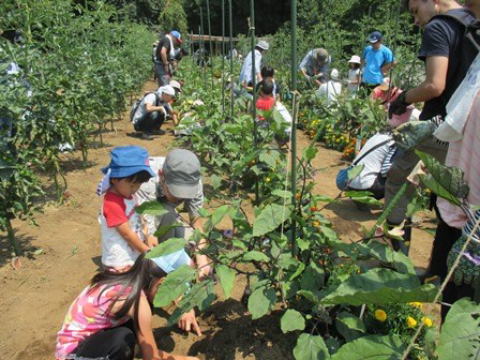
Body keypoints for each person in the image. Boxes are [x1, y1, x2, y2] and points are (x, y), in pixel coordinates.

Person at [384, 0, 477, 251]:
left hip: (440, 127)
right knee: (453, 200)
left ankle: (396, 258)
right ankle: (440, 271)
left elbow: (434, 85)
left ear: (433, 1)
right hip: (467, 132)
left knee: (398, 181)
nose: (416, 21)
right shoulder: (472, 22)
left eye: (415, 11)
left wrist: (402, 99)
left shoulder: (438, 27)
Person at [55, 254, 200, 360]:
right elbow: (152, 358)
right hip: (72, 354)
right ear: (162, 283)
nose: (170, 297)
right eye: (172, 290)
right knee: (122, 338)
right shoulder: (138, 302)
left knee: (129, 330)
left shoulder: (126, 274)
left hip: (79, 343)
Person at [135, 149, 211, 281]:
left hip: (164, 208)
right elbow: (149, 235)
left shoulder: (193, 181)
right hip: (135, 216)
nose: (179, 198)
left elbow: (197, 224)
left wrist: (202, 260)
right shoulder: (145, 180)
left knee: (190, 245)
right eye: (175, 191)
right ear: (161, 175)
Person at [96, 146, 156, 274]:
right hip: (120, 262)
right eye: (131, 184)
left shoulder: (129, 195)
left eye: (138, 184)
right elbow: (127, 234)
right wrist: (147, 252)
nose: (134, 188)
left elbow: (140, 217)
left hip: (133, 254)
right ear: (114, 179)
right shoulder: (112, 204)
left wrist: (148, 235)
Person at [336, 132, 396, 200]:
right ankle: (363, 198)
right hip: (365, 186)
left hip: (347, 181)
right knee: (395, 179)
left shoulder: (377, 135)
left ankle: (357, 196)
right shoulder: (394, 143)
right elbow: (385, 171)